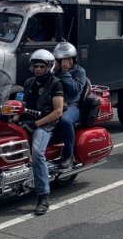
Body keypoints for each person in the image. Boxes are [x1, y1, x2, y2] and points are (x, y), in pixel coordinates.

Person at [20, 49, 64, 215]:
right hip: (27, 121)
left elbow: (58, 111)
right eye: (36, 66)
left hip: (46, 124)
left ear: (49, 67)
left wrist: (36, 124)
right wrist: (13, 115)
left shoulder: (56, 84)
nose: (38, 69)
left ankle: (43, 196)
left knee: (38, 152)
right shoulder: (29, 82)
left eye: (42, 66)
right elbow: (22, 103)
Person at [52, 41, 87, 169]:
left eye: (69, 59)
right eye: (63, 60)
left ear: (74, 59)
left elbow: (75, 90)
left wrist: (65, 72)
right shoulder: (54, 71)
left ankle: (69, 155)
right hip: (56, 103)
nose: (67, 62)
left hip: (74, 106)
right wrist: (52, 72)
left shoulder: (80, 72)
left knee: (65, 121)